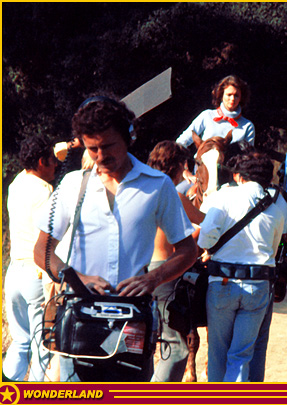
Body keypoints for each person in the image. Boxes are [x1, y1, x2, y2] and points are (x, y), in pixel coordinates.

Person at [33, 96, 198, 381]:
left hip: (133, 324)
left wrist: (153, 279)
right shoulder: (72, 185)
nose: (100, 156)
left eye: (108, 146)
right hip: (80, 320)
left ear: (128, 136)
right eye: (92, 148)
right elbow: (42, 251)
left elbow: (187, 250)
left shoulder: (158, 186)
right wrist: (77, 278)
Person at [197, 151, 287, 382]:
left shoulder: (223, 197)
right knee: (242, 354)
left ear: (239, 177)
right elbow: (285, 243)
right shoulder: (278, 203)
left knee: (217, 352)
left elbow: (204, 240)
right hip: (259, 284)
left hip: (222, 281)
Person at [146, 141, 205, 382]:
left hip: (139, 269)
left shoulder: (141, 190)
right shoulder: (173, 195)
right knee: (177, 346)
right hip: (165, 271)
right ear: (179, 165)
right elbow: (204, 223)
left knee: (146, 341)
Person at [3, 136, 58, 382]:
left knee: (21, 340)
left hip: (13, 272)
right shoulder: (46, 192)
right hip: (36, 273)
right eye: (52, 161)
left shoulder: (16, 183)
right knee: (42, 345)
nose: (56, 166)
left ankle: (8, 384)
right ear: (40, 161)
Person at [176, 75, 255, 149]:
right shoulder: (207, 115)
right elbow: (183, 140)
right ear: (221, 95)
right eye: (229, 94)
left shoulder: (248, 126)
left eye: (236, 95)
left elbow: (248, 157)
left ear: (241, 98)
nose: (232, 99)